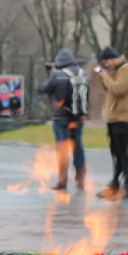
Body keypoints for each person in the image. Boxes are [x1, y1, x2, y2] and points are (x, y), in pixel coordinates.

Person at [39, 48, 88, 191]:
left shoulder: (57, 75)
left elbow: (45, 88)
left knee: (62, 149)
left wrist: (53, 72)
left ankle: (63, 180)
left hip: (61, 118)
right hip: (78, 118)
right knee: (78, 147)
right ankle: (81, 178)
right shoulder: (83, 73)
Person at [96, 45, 128, 200]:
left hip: (122, 117)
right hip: (113, 118)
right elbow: (109, 89)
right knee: (116, 153)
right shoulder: (116, 70)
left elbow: (119, 89)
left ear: (113, 58)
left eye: (107, 62)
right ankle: (115, 184)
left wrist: (106, 77)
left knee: (123, 153)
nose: (106, 65)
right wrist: (104, 77)